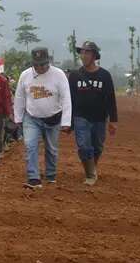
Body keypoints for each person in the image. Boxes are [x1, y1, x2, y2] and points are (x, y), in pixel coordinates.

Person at [14, 47, 72, 189]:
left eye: (43, 64)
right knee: (30, 146)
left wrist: (66, 121)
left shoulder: (59, 75)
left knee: (51, 149)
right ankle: (33, 178)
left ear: (48, 62)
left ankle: (51, 175)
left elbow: (66, 98)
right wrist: (18, 118)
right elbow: (19, 97)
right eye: (37, 64)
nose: (40, 67)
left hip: (53, 118)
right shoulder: (25, 75)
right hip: (31, 117)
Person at [68, 41, 118, 186]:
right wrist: (69, 122)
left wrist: (113, 121)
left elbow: (111, 99)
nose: (83, 55)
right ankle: (90, 175)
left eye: (87, 52)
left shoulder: (105, 76)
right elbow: (69, 99)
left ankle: (92, 168)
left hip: (99, 118)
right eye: (82, 52)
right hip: (80, 117)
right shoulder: (75, 76)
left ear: (94, 56)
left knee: (97, 147)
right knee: (84, 145)